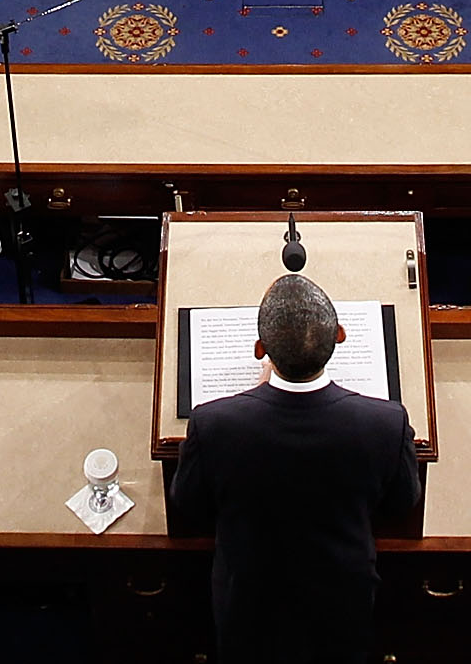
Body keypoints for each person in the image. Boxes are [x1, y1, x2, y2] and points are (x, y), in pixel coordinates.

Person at [166, 273, 424, 664]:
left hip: (248, 611)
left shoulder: (214, 423)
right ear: (339, 336)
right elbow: (403, 501)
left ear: (261, 350)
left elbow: (189, 503)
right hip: (341, 608)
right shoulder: (385, 422)